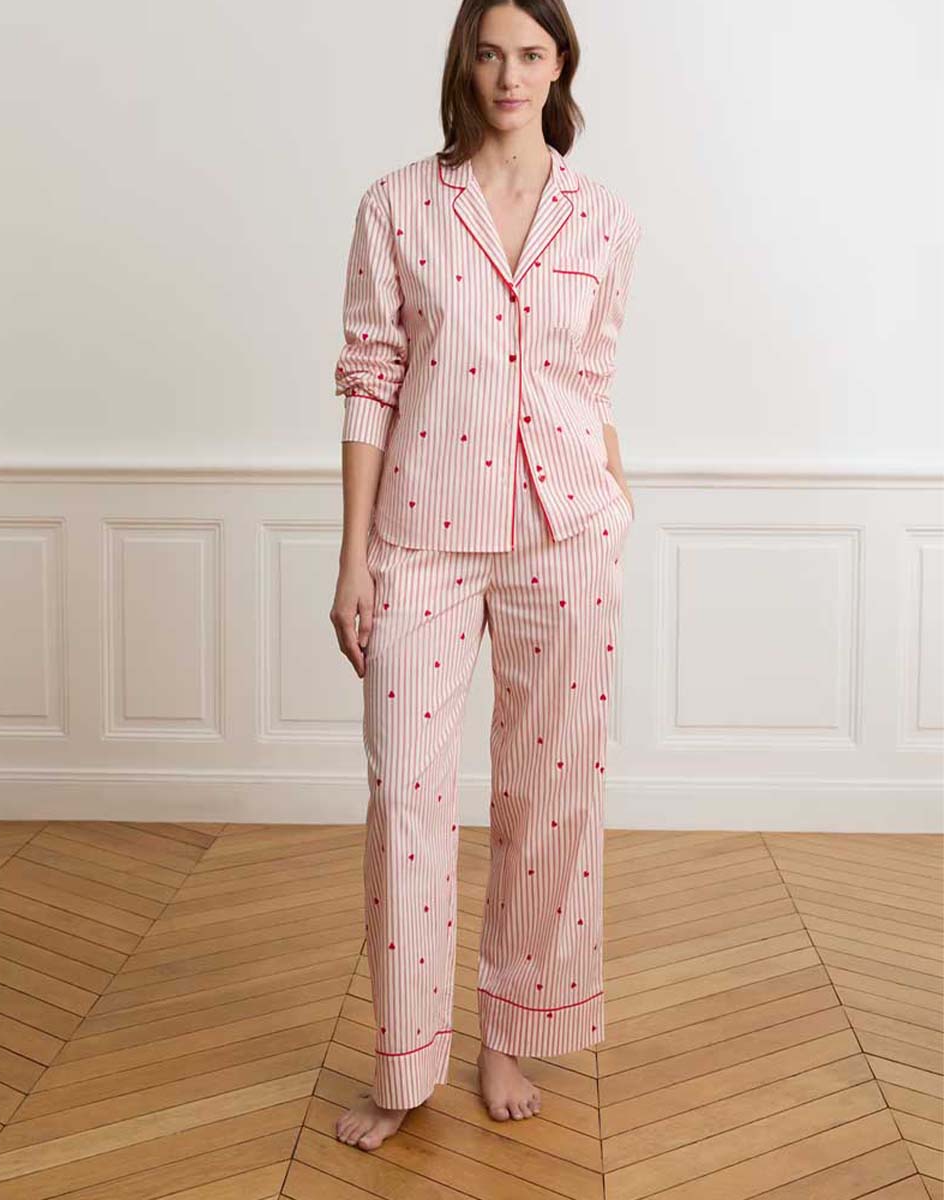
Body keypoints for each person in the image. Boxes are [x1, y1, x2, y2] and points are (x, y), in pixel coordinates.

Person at [329, 0, 643, 1152]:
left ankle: (510, 1031)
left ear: (560, 66)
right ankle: (404, 1061)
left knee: (547, 796)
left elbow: (588, 383)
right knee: (406, 798)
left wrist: (615, 498)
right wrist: (353, 557)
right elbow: (369, 376)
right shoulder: (398, 206)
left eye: (532, 53)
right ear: (465, 63)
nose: (510, 74)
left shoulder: (605, 222)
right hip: (420, 531)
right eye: (491, 52)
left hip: (567, 533)